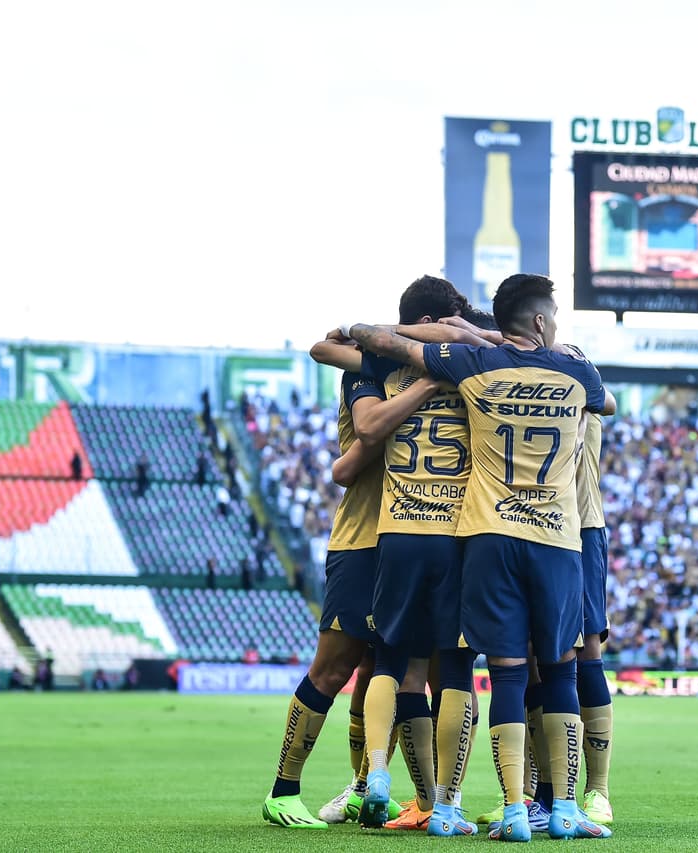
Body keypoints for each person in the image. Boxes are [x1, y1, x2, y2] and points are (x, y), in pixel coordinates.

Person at [344, 273, 615, 840]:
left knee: (496, 673)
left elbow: (377, 341)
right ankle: (565, 807)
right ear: (540, 320)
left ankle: (499, 808)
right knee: (558, 669)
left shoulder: (471, 364)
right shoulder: (577, 370)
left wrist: (433, 333)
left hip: (481, 535)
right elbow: (606, 403)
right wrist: (484, 336)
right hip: (556, 538)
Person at [312, 276, 494, 834]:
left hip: (396, 530)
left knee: (391, 662)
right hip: (457, 535)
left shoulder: (383, 369)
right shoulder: (477, 369)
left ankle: (376, 775)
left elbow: (326, 347)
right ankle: (446, 802)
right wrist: (469, 337)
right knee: (455, 670)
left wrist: (377, 333)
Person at [260, 324, 443, 831]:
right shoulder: (371, 371)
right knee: (334, 666)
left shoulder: (450, 374)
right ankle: (283, 791)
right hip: (362, 542)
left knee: (386, 669)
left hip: (415, 541)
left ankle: (366, 789)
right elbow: (352, 456)